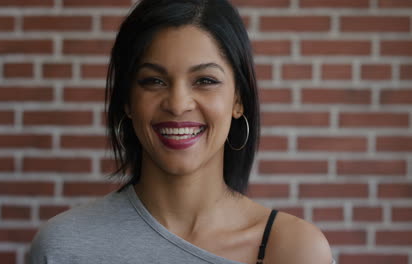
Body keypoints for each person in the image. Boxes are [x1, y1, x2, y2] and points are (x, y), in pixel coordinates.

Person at [28, 0, 335, 263]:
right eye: (154, 81)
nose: (177, 104)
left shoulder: (294, 250)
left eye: (205, 80)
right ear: (127, 101)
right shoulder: (63, 246)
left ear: (238, 100)